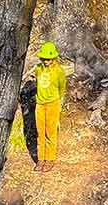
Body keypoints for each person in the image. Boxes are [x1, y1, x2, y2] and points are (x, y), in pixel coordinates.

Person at [32, 42, 66, 172]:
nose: (46, 61)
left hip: (53, 104)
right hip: (40, 104)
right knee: (40, 132)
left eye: (49, 58)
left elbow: (62, 89)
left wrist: (59, 103)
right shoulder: (38, 69)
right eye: (44, 58)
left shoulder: (59, 71)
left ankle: (50, 159)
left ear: (53, 58)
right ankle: (41, 159)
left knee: (50, 132)